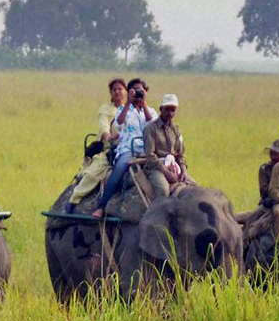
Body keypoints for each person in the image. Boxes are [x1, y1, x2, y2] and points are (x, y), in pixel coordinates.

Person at [91, 77, 156, 218]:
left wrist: (143, 104)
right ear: (129, 93)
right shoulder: (122, 109)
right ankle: (102, 206)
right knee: (119, 169)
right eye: (135, 91)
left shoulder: (150, 110)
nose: (138, 93)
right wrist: (128, 103)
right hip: (128, 149)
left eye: (141, 90)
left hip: (147, 150)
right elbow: (119, 123)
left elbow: (153, 125)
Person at [64, 77, 127, 213]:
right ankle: (73, 199)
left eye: (120, 89)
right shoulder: (106, 109)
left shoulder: (131, 109)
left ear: (126, 91)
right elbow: (104, 126)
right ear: (110, 93)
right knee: (92, 175)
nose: (117, 92)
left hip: (129, 149)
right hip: (110, 148)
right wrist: (108, 136)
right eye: (114, 89)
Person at [142, 93, 189, 196]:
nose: (170, 113)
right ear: (160, 109)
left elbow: (181, 154)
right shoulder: (151, 129)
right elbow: (150, 155)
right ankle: (158, 211)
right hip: (156, 167)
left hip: (173, 165)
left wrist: (184, 170)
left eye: (173, 110)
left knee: (194, 188)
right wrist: (166, 173)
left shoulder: (176, 130)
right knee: (163, 190)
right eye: (167, 109)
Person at [257, 139, 279, 209]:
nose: (273, 157)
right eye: (271, 154)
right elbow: (264, 191)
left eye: (276, 154)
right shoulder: (265, 169)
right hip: (269, 202)